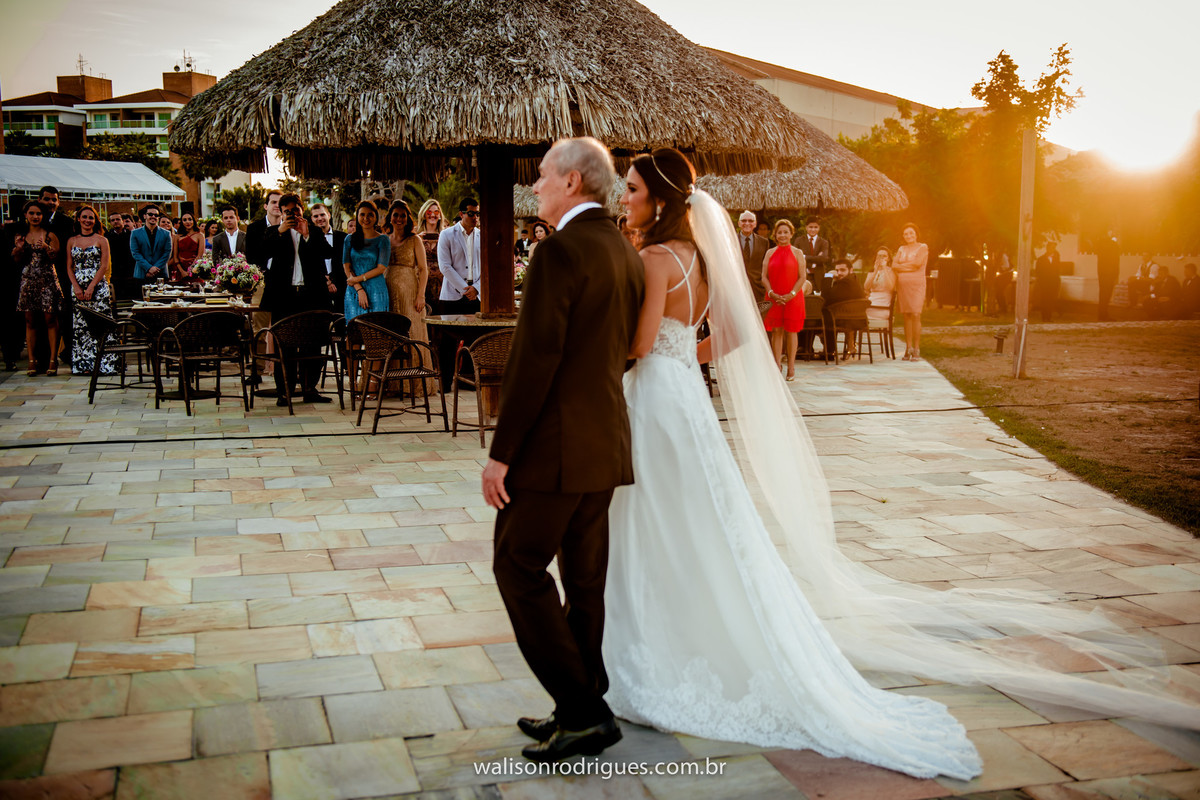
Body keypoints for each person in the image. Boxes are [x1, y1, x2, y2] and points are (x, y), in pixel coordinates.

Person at [601, 147, 1200, 782]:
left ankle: (654, 652)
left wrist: (622, 353)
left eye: (633, 189)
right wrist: (682, 358)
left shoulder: (653, 259)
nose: (626, 198)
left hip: (657, 404)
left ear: (660, 199)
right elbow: (740, 334)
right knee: (700, 523)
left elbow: (638, 345)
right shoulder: (699, 258)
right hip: (688, 407)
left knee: (651, 520)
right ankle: (693, 636)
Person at [481, 137, 644, 763]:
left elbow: (535, 360)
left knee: (517, 567)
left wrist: (502, 453)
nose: (536, 186)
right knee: (583, 580)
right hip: (603, 440)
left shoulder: (560, 253)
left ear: (574, 182)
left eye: (544, 176)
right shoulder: (623, 253)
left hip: (554, 448)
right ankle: (578, 705)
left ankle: (583, 711)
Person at [259, 194, 335, 405]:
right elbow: (261, 254)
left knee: (313, 345)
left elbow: (328, 253)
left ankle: (310, 389)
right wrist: (281, 231)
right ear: (282, 213)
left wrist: (308, 235)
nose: (293, 214)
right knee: (285, 346)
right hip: (285, 297)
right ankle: (285, 391)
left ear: (303, 209)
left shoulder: (314, 231)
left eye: (296, 210)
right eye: (288, 211)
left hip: (312, 296)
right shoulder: (273, 232)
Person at [384, 200, 435, 392]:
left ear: (408, 218)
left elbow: (423, 269)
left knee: (411, 332)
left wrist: (421, 295)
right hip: (387, 290)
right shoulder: (385, 239)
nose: (399, 219)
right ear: (390, 217)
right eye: (395, 215)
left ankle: (414, 384)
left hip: (410, 292)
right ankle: (393, 383)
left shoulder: (415, 240)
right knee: (391, 334)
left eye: (403, 215)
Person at [13, 200, 62, 376]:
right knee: (30, 320)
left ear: (43, 216)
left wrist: (47, 247)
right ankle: (32, 360)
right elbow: (17, 260)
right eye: (31, 213)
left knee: (50, 318)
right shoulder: (21, 235)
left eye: (38, 213)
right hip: (28, 280)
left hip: (47, 279)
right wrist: (18, 249)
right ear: (26, 215)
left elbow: (56, 257)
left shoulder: (50, 234)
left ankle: (52, 359)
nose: (35, 216)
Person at [65, 206, 116, 375]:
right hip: (77, 286)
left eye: (91, 218)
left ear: (95, 220)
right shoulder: (72, 240)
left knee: (101, 325)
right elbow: (69, 267)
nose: (88, 220)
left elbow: (104, 265)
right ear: (78, 219)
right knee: (81, 327)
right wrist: (76, 287)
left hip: (98, 287)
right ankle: (84, 365)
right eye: (84, 217)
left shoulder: (102, 240)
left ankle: (104, 364)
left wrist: (92, 286)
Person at [761, 219, 806, 381]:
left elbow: (802, 277)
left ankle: (791, 367)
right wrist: (771, 293)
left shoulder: (797, 253)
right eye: (779, 232)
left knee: (791, 331)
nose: (782, 235)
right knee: (777, 331)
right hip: (774, 297)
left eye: (786, 232)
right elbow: (763, 277)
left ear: (791, 234)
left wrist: (791, 294)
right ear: (775, 235)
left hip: (792, 297)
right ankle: (776, 365)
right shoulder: (770, 252)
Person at [39, 187, 75, 367]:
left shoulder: (66, 222)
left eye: (54, 199)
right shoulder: (34, 221)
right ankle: (44, 357)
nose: (51, 203)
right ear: (40, 200)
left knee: (66, 315)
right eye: (47, 199)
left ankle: (68, 352)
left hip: (62, 274)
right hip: (38, 276)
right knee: (42, 317)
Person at [342, 200, 390, 321]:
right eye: (362, 214)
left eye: (370, 215)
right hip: (354, 290)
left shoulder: (383, 239)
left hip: (376, 290)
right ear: (357, 216)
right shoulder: (349, 239)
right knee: (354, 330)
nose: (366, 218)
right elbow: (346, 266)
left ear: (376, 217)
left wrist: (357, 279)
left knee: (376, 331)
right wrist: (359, 288)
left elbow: (381, 268)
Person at [437, 198, 482, 314]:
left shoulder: (483, 236)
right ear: (461, 214)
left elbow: (489, 266)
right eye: (471, 214)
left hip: (478, 295)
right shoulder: (446, 235)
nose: (475, 217)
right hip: (452, 294)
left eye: (477, 214)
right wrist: (465, 290)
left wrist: (476, 288)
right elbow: (445, 266)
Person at [892, 223, 928, 360]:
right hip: (903, 286)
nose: (909, 236)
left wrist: (902, 267)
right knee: (906, 315)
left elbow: (918, 264)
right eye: (906, 234)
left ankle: (917, 348)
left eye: (911, 233)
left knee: (916, 313)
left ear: (916, 234)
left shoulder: (923, 247)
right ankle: (908, 348)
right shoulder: (901, 249)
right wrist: (909, 267)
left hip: (917, 285)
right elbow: (894, 265)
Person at [822, 257, 866, 356]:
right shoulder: (854, 279)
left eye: (842, 270)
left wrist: (828, 275)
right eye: (837, 270)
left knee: (820, 314)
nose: (839, 273)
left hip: (846, 319)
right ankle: (828, 349)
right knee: (825, 313)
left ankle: (828, 351)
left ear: (851, 270)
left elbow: (825, 297)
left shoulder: (845, 282)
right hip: (856, 318)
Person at [310, 204, 346, 313]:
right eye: (316, 216)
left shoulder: (343, 237)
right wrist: (326, 281)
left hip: (341, 288)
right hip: (318, 290)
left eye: (322, 214)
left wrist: (333, 281)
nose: (320, 218)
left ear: (329, 215)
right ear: (311, 219)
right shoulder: (308, 240)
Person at [129, 204, 170, 284]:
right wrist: (149, 268)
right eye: (150, 214)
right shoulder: (135, 233)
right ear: (145, 216)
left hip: (161, 274)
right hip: (141, 273)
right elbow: (135, 253)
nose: (153, 216)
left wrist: (155, 268)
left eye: (156, 215)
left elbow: (167, 253)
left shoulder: (166, 234)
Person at [416, 199, 444, 314]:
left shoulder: (445, 235)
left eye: (436, 212)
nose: (433, 215)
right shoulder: (416, 237)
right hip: (422, 281)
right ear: (423, 214)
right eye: (429, 212)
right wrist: (418, 239)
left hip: (441, 284)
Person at [736, 210, 769, 302]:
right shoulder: (730, 241)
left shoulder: (764, 242)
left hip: (758, 288)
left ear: (755, 224)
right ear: (739, 223)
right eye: (744, 221)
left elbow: (765, 266)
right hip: (736, 287)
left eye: (750, 221)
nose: (747, 223)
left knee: (758, 315)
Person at [105, 211, 134, 300]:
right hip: (115, 273)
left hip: (130, 273)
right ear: (110, 223)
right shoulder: (106, 237)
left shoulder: (131, 235)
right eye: (113, 220)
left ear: (122, 221)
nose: (116, 221)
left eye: (118, 219)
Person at [169, 212, 205, 281]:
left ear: (193, 221)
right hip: (180, 269)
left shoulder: (200, 235)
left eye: (190, 219)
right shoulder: (177, 236)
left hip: (195, 269)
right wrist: (182, 271)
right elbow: (175, 257)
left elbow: (200, 256)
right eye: (184, 220)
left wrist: (191, 270)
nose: (187, 222)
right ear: (182, 222)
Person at [863, 246, 896, 322]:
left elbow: (891, 287)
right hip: (871, 303)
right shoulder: (872, 271)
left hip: (883, 306)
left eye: (884, 256)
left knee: (858, 314)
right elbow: (866, 287)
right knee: (856, 313)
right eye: (879, 256)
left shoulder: (891, 271)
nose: (881, 258)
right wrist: (875, 271)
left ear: (888, 259)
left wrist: (884, 268)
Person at [796, 218, 831, 286]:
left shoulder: (824, 242)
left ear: (819, 228)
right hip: (803, 276)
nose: (813, 229)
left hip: (819, 276)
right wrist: (817, 258)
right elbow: (796, 257)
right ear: (806, 227)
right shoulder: (799, 241)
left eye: (816, 227)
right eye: (810, 227)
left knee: (818, 296)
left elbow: (823, 258)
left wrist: (805, 256)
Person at [1034, 241, 1062, 322]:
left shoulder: (1056, 259)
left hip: (1053, 283)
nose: (1053, 249)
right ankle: (1044, 317)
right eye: (1051, 247)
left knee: (1051, 300)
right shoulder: (1041, 259)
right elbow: (1038, 271)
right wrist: (1041, 281)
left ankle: (1049, 317)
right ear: (1047, 248)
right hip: (1044, 283)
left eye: (1054, 248)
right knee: (1044, 299)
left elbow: (1057, 270)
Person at [1096, 230, 1120, 320]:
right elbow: (1115, 262)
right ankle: (1103, 314)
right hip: (1109, 274)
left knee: (1103, 294)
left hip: (1102, 273)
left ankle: (1102, 314)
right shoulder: (1113, 246)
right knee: (1106, 294)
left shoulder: (1101, 246)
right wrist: (1116, 274)